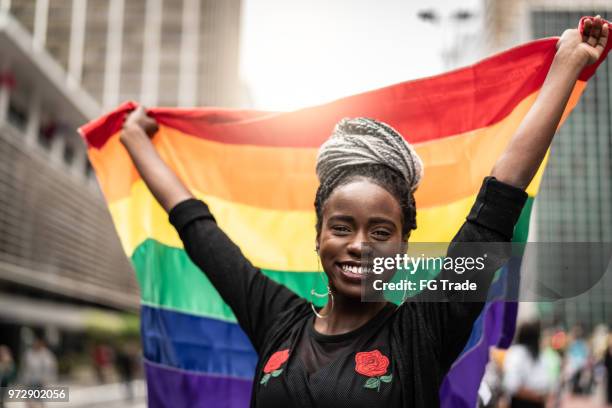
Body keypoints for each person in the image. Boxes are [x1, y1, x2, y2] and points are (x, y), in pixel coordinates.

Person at [120, 17, 608, 407]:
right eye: (342, 227)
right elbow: (198, 229)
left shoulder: (423, 331)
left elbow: (497, 205)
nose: (359, 244)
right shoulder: (277, 320)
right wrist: (135, 140)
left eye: (380, 230)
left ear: (402, 246)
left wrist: (567, 65)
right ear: (318, 238)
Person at [502, 321, 558, 408]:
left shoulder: (539, 354)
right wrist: (536, 396)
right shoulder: (518, 353)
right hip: (523, 402)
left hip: (534, 401)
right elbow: (512, 385)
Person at [20, 337, 57, 408]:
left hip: (41, 379)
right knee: (30, 397)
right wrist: (24, 378)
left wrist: (48, 377)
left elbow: (50, 367)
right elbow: (25, 366)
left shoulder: (46, 354)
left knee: (40, 398)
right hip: (30, 379)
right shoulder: (29, 353)